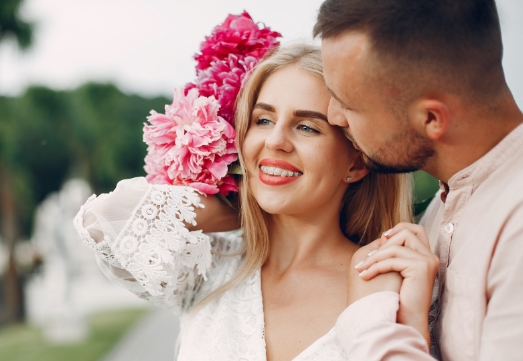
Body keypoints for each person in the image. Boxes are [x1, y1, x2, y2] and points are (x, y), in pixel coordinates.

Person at [73, 43, 428, 360]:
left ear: (355, 162)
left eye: (306, 127)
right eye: (263, 119)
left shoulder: (383, 283)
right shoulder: (210, 267)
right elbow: (104, 219)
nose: (275, 140)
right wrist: (238, 204)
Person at [314, 0, 523, 360]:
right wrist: (411, 329)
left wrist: (372, 324)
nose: (333, 117)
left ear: (431, 119)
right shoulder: (441, 208)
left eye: (347, 103)